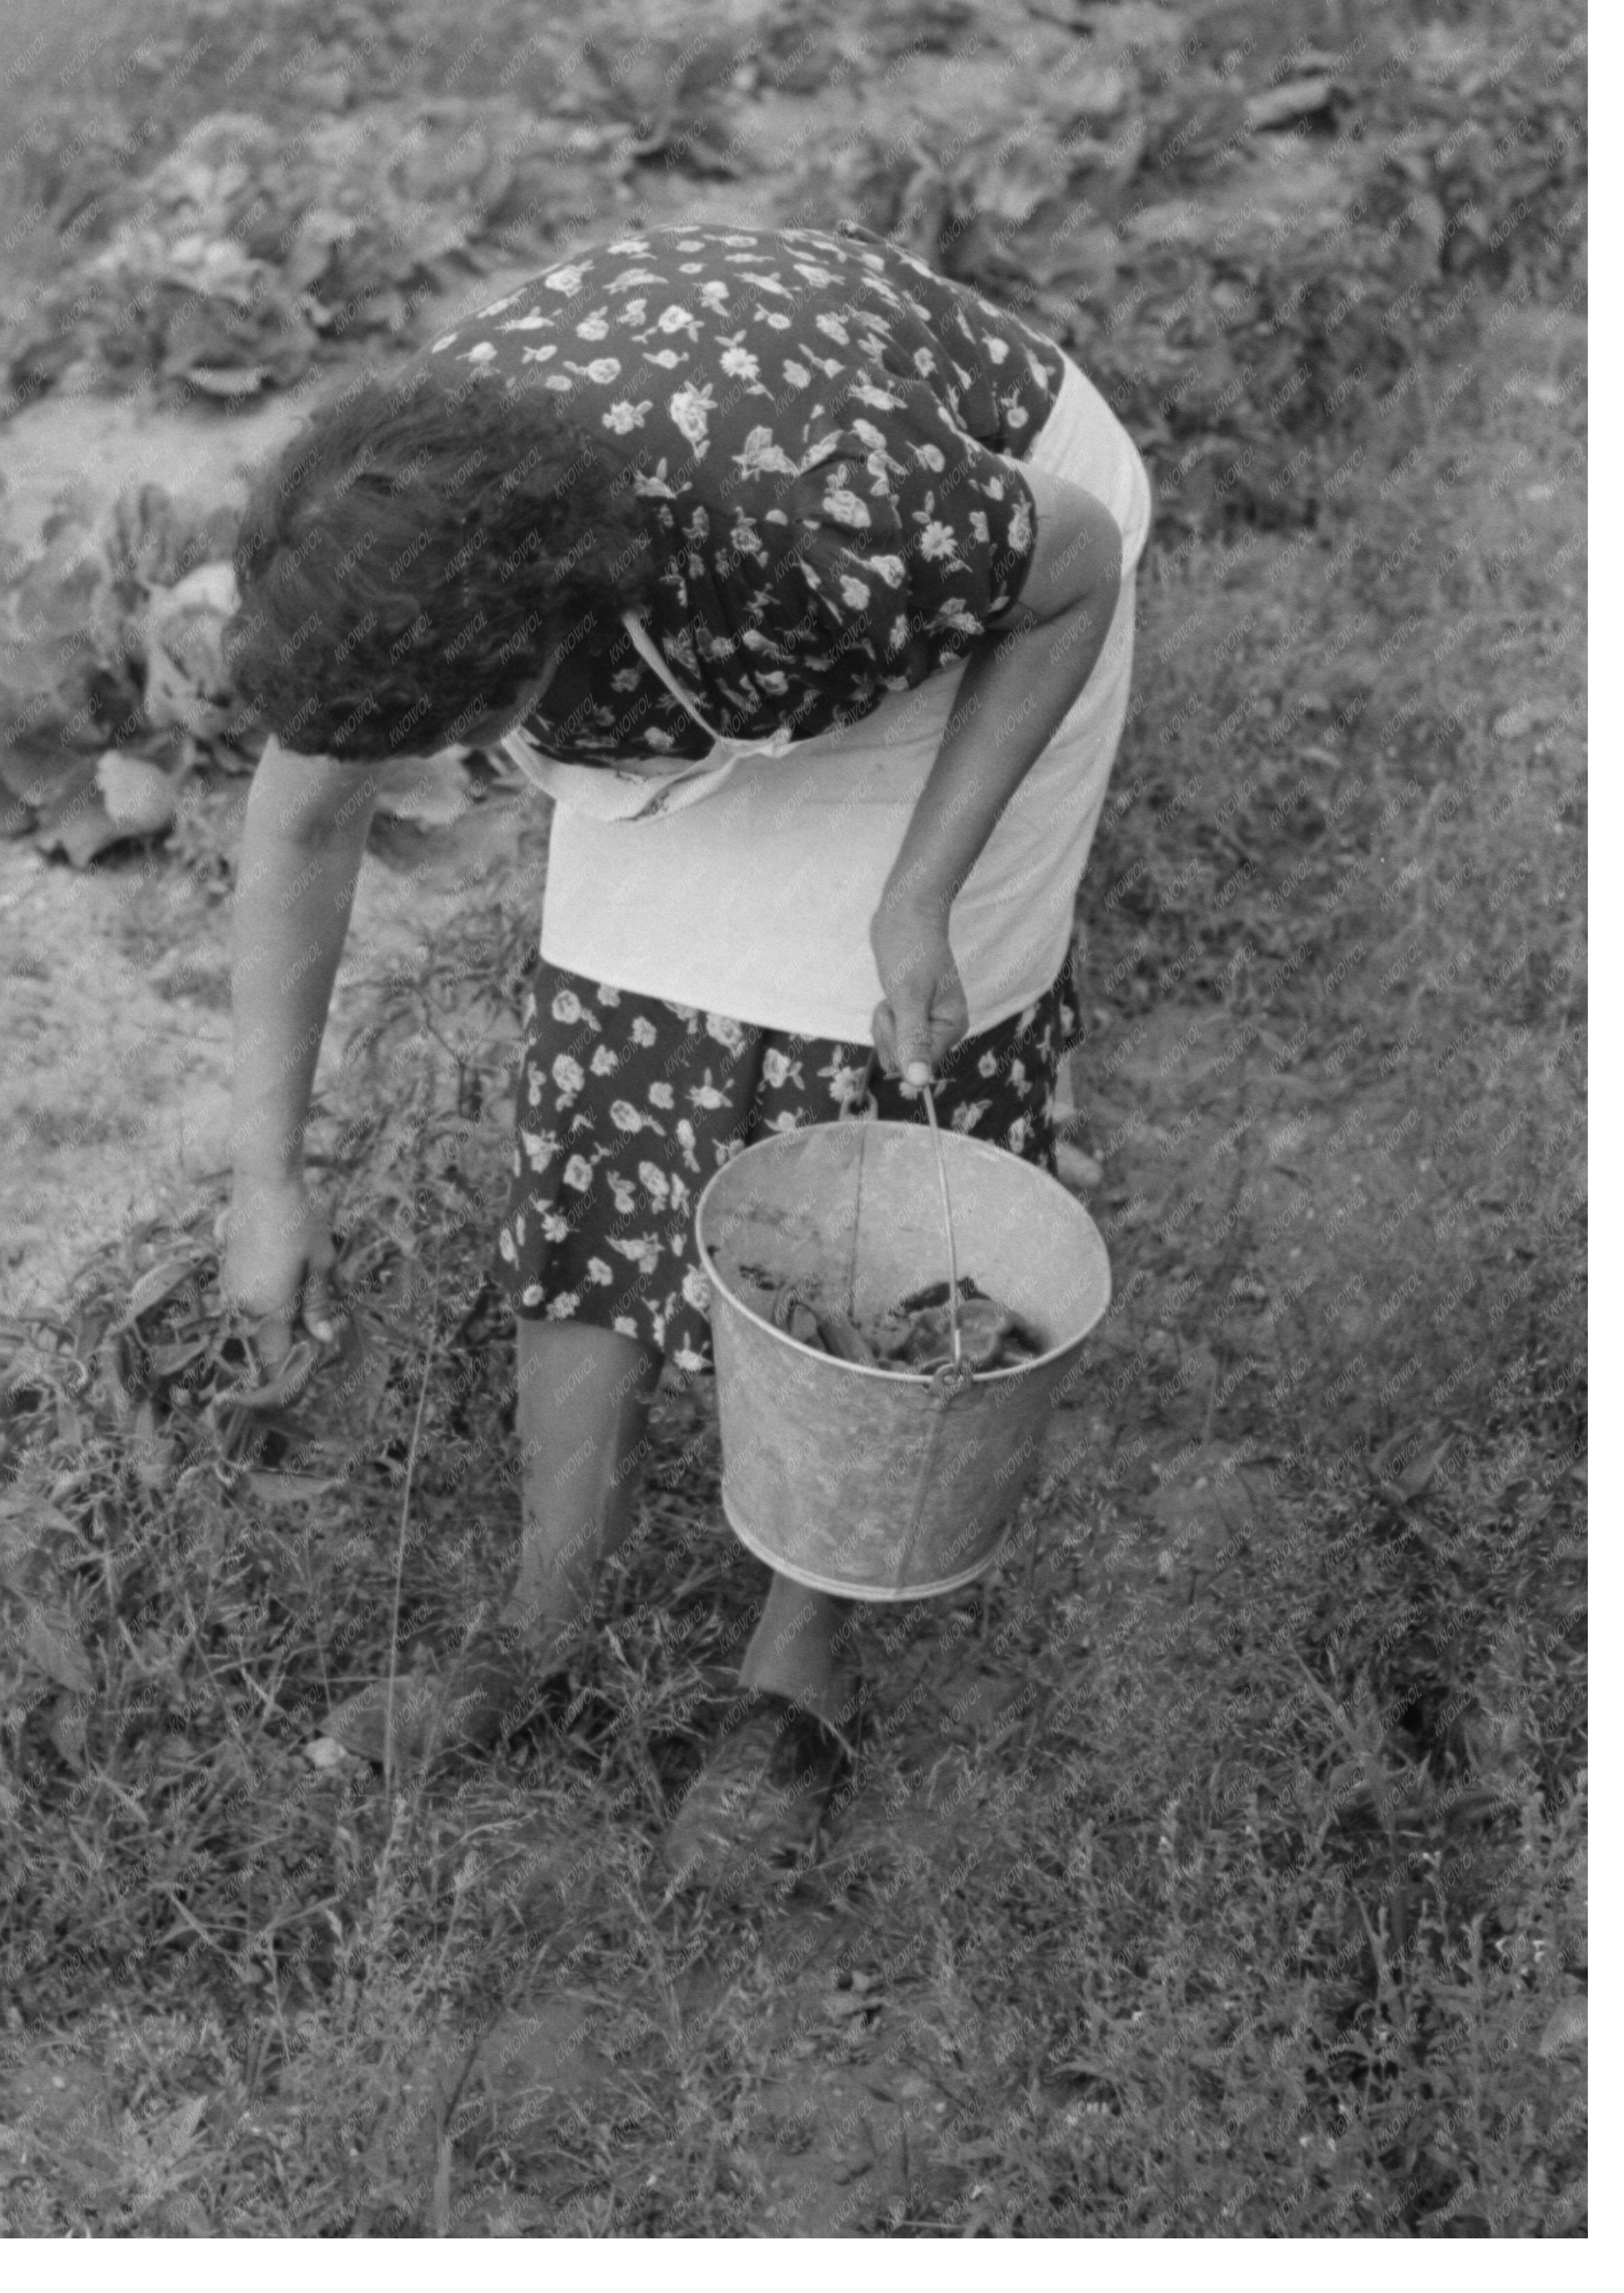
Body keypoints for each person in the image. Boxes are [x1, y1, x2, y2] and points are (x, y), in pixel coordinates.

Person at [221, 221, 1151, 1888]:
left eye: (452, 734)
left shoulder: (823, 522)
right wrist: (265, 1176)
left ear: (535, 647)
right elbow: (299, 827)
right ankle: (538, 1624)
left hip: (1000, 583)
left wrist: (920, 894)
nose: (441, 764)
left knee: (872, 1115)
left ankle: (797, 1680)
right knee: (611, 1089)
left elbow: (1067, 568)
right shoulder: (389, 558)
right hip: (682, 582)